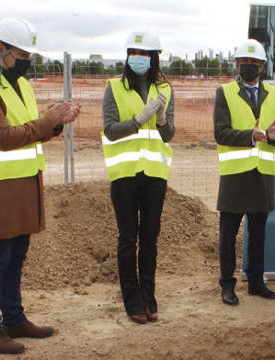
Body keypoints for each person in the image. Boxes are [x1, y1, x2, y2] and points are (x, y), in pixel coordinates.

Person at [0, 17, 80, 354]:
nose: (26, 59)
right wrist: (48, 121)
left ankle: (13, 319)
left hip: (23, 183)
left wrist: (56, 124)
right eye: (21, 53)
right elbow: (4, 138)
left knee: (16, 257)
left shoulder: (18, 84)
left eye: (28, 53)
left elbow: (30, 130)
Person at [101, 30, 175, 324]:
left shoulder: (165, 90)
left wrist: (162, 120)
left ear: (155, 58)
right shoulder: (114, 87)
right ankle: (132, 299)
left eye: (145, 54)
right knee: (127, 237)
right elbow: (109, 130)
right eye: (135, 52)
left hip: (155, 174)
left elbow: (168, 136)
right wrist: (137, 121)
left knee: (150, 238)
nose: (139, 58)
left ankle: (148, 294)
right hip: (125, 175)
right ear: (128, 55)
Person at [214, 39, 275, 306]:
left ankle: (256, 283)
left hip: (262, 173)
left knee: (258, 233)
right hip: (235, 174)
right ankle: (227, 285)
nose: (249, 67)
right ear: (237, 64)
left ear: (262, 66)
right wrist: (252, 136)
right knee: (228, 234)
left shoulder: (274, 93)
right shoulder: (224, 93)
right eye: (245, 62)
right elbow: (220, 133)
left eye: (254, 63)